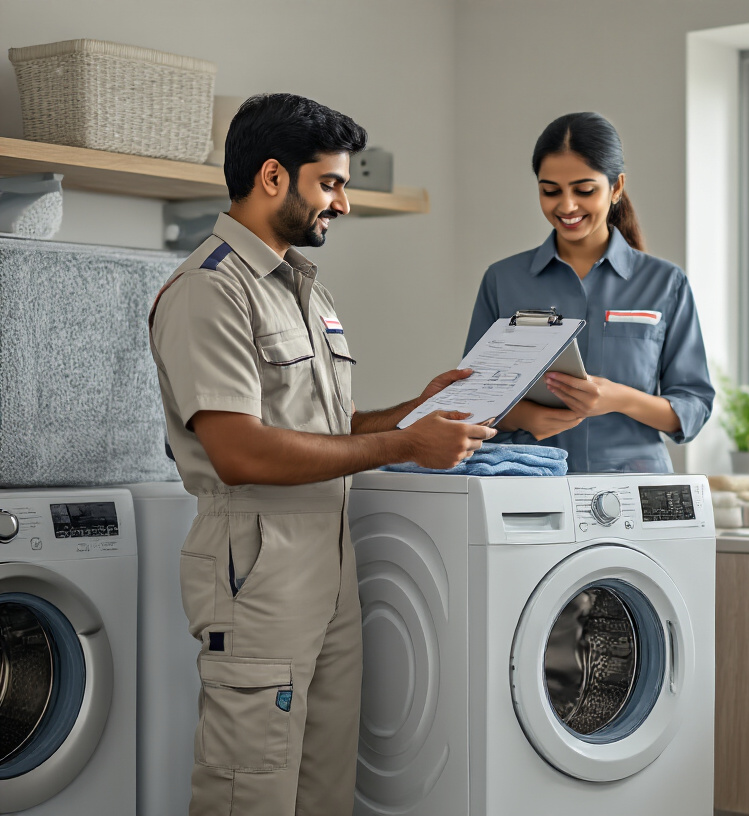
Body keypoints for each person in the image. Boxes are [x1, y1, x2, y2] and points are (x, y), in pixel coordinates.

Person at [147, 93, 495, 816]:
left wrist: (417, 409)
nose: (341, 202)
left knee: (324, 790)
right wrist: (404, 445)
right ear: (274, 176)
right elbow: (240, 450)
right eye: (330, 183)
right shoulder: (210, 290)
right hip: (257, 573)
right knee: (253, 789)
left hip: (329, 568)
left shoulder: (304, 288)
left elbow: (330, 428)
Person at [466, 112, 714, 472]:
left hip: (633, 486)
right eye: (550, 191)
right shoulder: (502, 280)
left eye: (584, 190)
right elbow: (472, 397)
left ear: (616, 188)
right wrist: (525, 416)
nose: (566, 206)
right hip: (528, 478)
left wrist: (621, 399)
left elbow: (694, 408)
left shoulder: (666, 283)